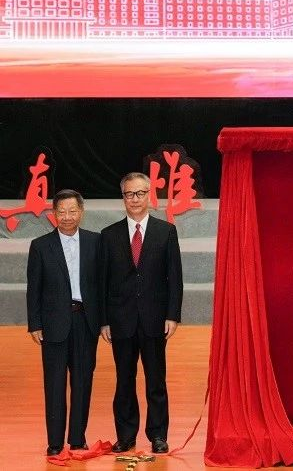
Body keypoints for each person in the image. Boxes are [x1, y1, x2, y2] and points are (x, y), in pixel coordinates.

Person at [100, 172, 183, 454]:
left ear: (149, 195)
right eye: (129, 194)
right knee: (124, 379)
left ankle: (158, 434)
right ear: (123, 197)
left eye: (140, 193)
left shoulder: (165, 231)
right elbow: (103, 282)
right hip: (120, 320)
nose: (134, 199)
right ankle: (126, 435)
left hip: (154, 319)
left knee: (156, 380)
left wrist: (172, 315)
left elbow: (175, 277)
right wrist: (104, 320)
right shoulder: (109, 235)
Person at [26, 189, 100, 456]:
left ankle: (78, 439)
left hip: (86, 321)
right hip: (53, 323)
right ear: (53, 214)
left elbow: (102, 285)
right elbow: (34, 288)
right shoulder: (40, 246)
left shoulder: (95, 242)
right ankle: (55, 442)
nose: (67, 217)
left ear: (81, 212)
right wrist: (35, 323)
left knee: (83, 382)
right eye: (61, 212)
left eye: (72, 211)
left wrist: (104, 321)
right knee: (55, 384)